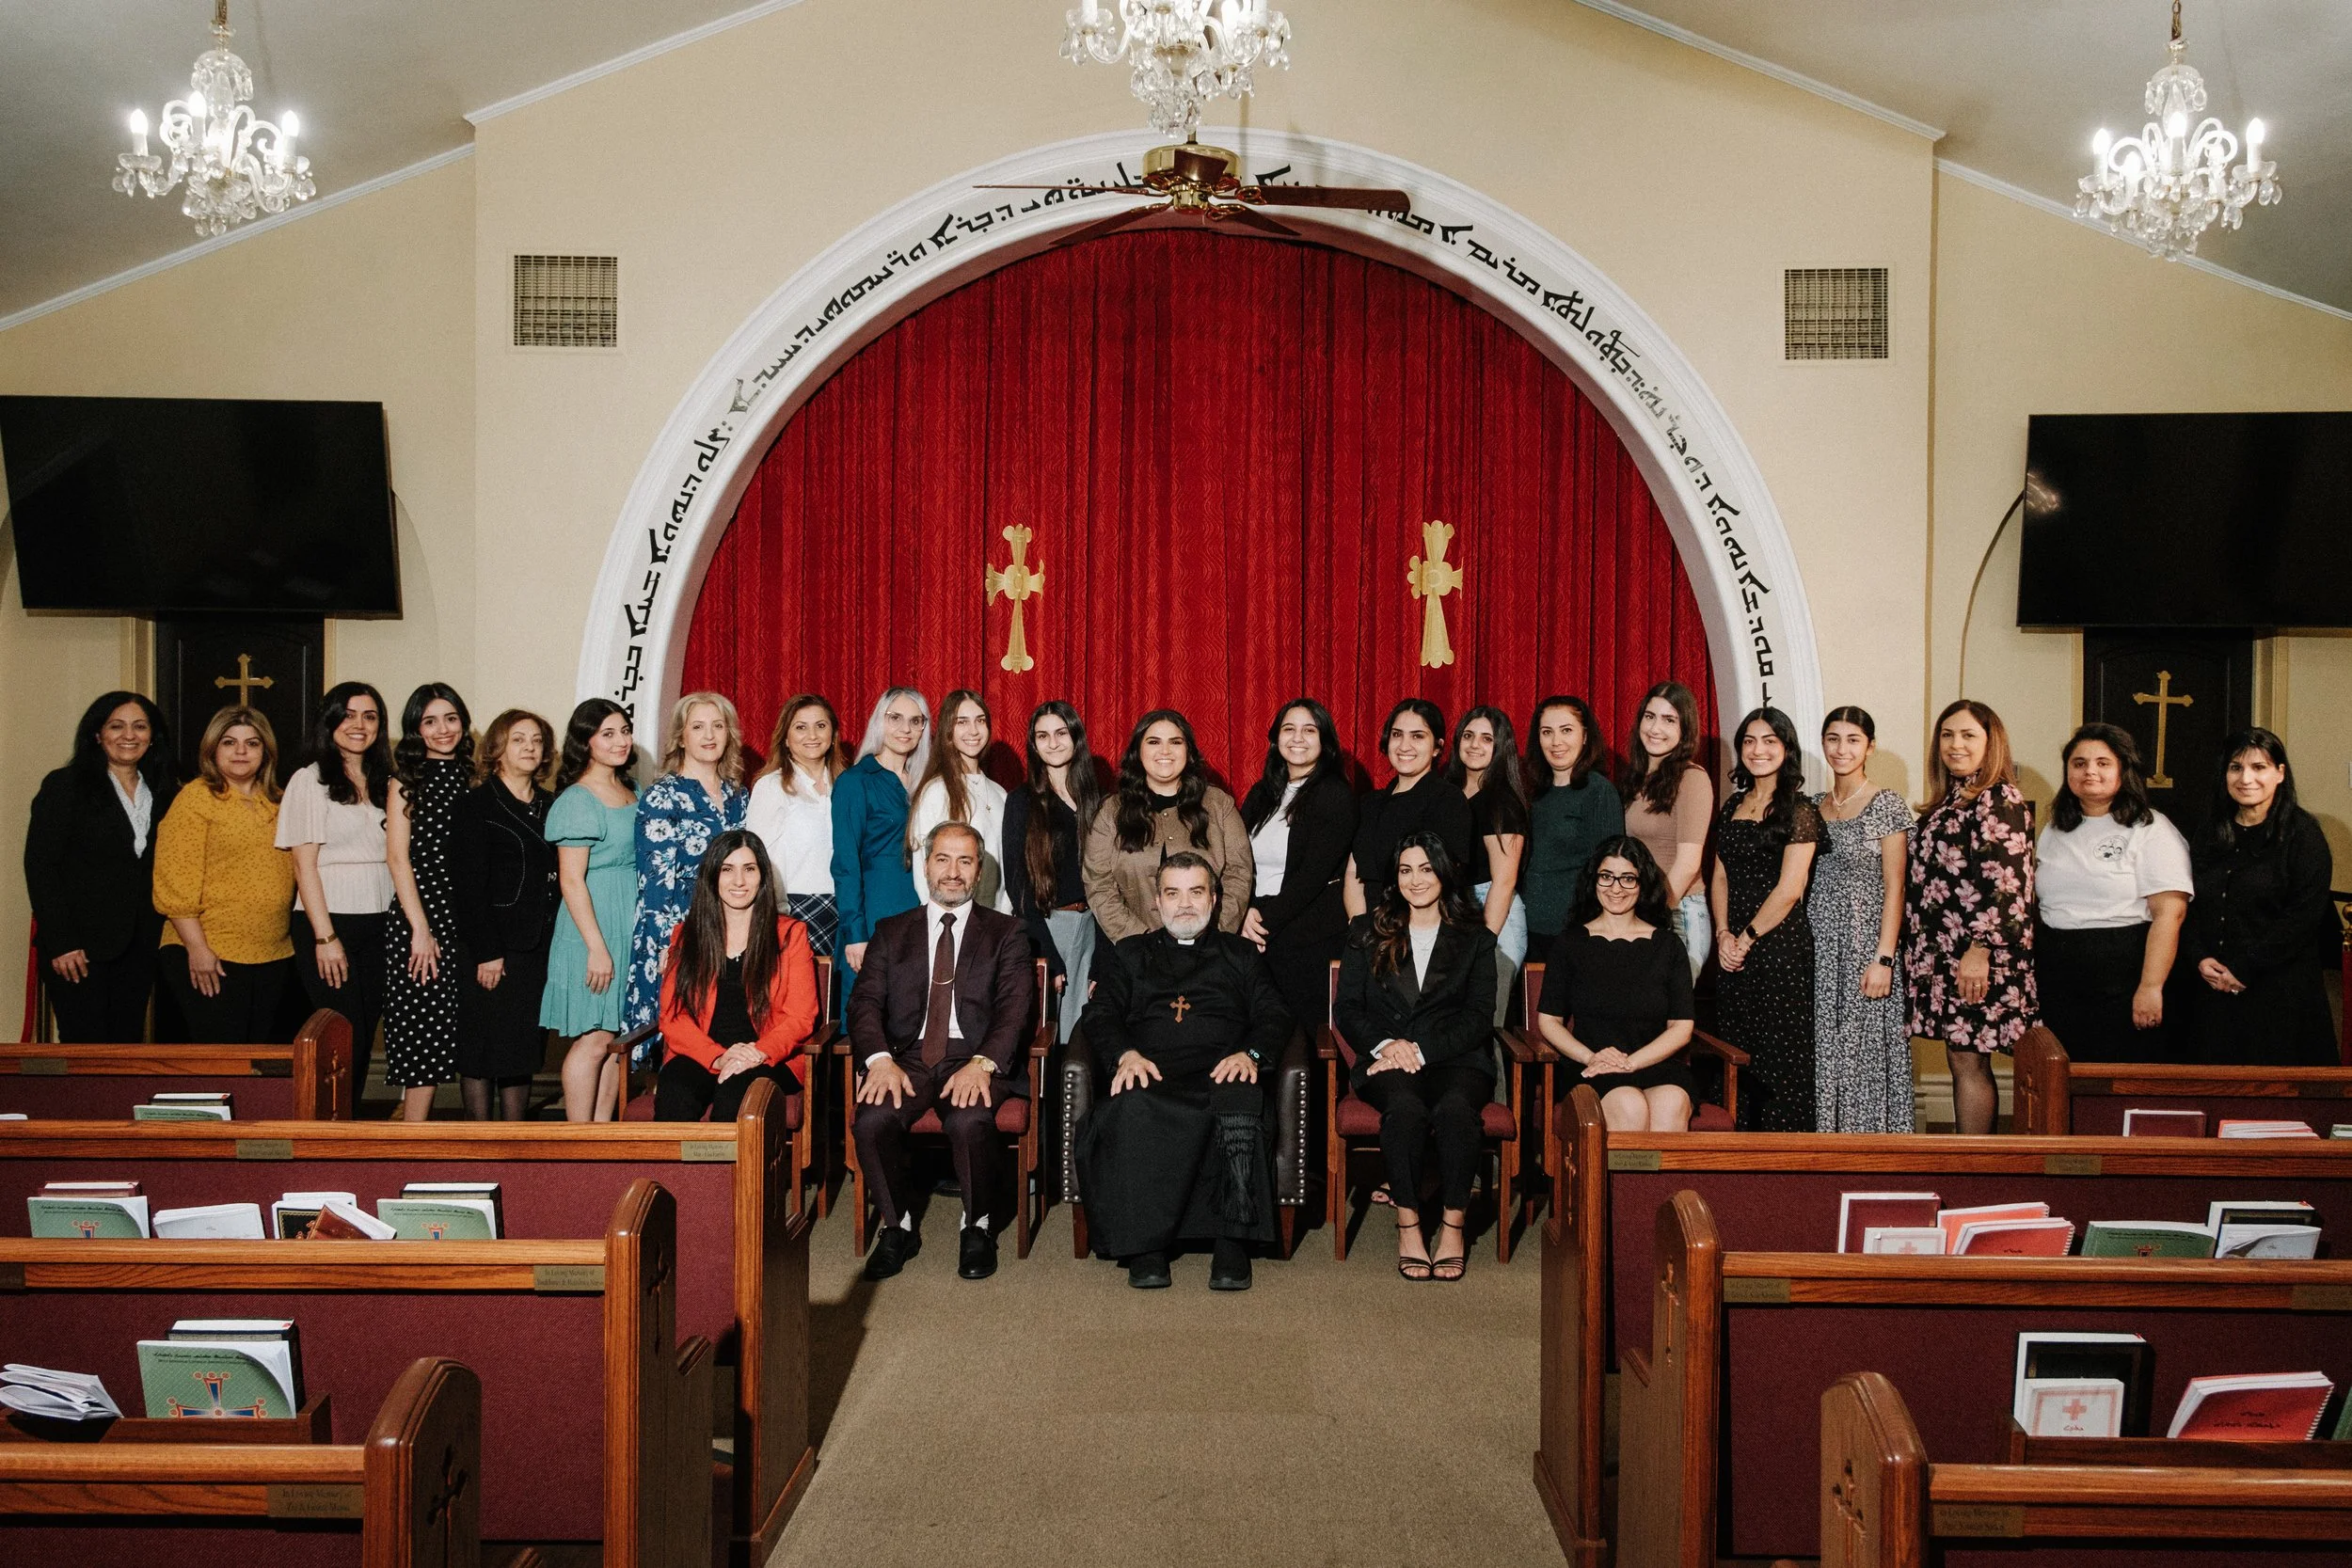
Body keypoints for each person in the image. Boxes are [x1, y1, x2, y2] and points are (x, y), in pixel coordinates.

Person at [1075, 851, 1293, 1291]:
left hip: (1221, 1073)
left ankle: (1233, 1240)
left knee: (1241, 1101)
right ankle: (1146, 1246)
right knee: (1132, 1107)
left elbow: (1274, 1013)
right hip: (1152, 1074)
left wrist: (1249, 1055)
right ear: (1157, 901)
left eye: (1196, 892)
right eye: (1173, 894)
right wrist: (1126, 1056)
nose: (1185, 904)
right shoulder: (1131, 953)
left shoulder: (1240, 954)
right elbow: (1100, 1014)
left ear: (1214, 899)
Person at [849, 823, 1035, 1283]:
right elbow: (865, 1002)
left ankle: (978, 1226)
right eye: (943, 860)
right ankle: (898, 1227)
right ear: (925, 864)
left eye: (965, 861)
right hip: (905, 1058)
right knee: (871, 1120)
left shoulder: (1007, 933)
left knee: (970, 1118)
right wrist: (879, 1061)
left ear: (980, 871)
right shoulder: (892, 931)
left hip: (973, 1056)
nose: (953, 872)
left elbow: (1015, 1008)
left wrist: (983, 1063)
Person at [1333, 833, 1498, 1282]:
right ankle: (1408, 1228)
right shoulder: (1366, 932)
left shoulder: (1476, 938)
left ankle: (1451, 1228)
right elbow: (1346, 1009)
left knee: (1455, 1113)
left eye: (1426, 869)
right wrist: (1389, 1046)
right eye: (1406, 870)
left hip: (1456, 1058)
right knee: (1404, 1111)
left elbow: (1479, 1017)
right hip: (1387, 1059)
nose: (1416, 879)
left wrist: (1422, 1050)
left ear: (1445, 873)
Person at [1903, 699, 2037, 1134]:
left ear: (1990, 742)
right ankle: (1968, 1155)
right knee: (1963, 1058)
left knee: (1971, 1062)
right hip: (1947, 954)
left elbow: (2008, 884)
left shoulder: (1999, 799)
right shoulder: (1953, 799)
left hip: (1978, 954)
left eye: (1967, 735)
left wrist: (1979, 951)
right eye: (1947, 735)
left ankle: (1976, 1160)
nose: (1955, 744)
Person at [2035, 723, 2192, 1065]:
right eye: (2079, 763)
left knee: (2114, 1077)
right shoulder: (2054, 829)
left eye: (2103, 762)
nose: (2089, 770)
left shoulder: (2151, 828)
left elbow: (2170, 914)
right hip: (2059, 972)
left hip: (2124, 971)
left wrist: (2150, 988)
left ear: (2124, 769)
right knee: (2062, 1078)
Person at [2180, 727, 2335, 1067]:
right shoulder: (2209, 831)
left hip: (2279, 993)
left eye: (2259, 767)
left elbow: (2303, 918)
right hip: (2213, 991)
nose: (2246, 778)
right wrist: (2198, 957)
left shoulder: (2304, 835)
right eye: (2236, 768)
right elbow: (2189, 902)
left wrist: (2245, 968)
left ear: (2280, 773)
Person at [24, 691, 173, 1041]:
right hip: (79, 948)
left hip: (141, 944)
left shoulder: (167, 792)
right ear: (97, 734)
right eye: (116, 726)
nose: (129, 736)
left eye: (140, 726)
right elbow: (41, 865)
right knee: (85, 1047)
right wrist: (62, 941)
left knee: (126, 1045)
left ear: (152, 737)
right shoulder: (65, 786)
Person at [276, 683, 395, 1091]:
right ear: (330, 722)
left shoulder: (387, 781)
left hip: (382, 922)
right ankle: (326, 1132)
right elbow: (303, 866)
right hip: (331, 923)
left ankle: (352, 1125)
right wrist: (325, 937)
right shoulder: (309, 781)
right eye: (347, 715)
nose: (358, 725)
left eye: (369, 716)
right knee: (345, 1034)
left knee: (365, 1034)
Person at [151, 706, 295, 1043]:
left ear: (266, 751)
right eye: (229, 742)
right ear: (212, 750)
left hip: (273, 954)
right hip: (211, 953)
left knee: (260, 1067)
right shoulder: (196, 799)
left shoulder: (280, 801)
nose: (241, 751)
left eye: (252, 743)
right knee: (220, 1061)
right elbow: (175, 883)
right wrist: (198, 950)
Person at [656, 830, 819, 1123]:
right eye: (727, 870)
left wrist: (756, 1053)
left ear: (763, 877)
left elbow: (801, 1017)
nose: (739, 881)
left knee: (737, 1098)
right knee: (674, 1092)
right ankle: (674, 1173)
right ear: (712, 876)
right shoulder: (687, 936)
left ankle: (728, 1173)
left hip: (771, 1057)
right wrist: (718, 1057)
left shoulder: (790, 935)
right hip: (702, 1054)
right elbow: (673, 1016)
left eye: (749, 869)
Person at [1710, 706, 1822, 1132]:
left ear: (1786, 748)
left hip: (1778, 947)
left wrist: (1747, 938)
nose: (1758, 750)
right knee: (1737, 1046)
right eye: (1749, 741)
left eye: (1769, 741)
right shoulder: (1734, 804)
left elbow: (1791, 888)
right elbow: (1719, 873)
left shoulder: (1800, 809)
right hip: (1730, 948)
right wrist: (1723, 934)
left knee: (1779, 1051)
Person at [1536, 837, 1695, 1133]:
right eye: (1607, 877)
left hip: (1653, 1062)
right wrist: (1590, 1057)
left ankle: (1663, 1184)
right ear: (1594, 880)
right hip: (1591, 1067)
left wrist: (1631, 1063)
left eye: (1628, 879)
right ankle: (1624, 1184)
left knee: (1671, 1102)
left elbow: (1681, 1028)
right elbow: (1548, 1020)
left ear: (1642, 883)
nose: (1616, 888)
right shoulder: (1570, 943)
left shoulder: (1668, 946)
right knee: (1629, 1104)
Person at [626, 691, 750, 1059]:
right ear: (682, 736)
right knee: (677, 1043)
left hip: (729, 929)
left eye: (717, 726)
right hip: (679, 929)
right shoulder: (663, 796)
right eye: (698, 727)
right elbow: (655, 882)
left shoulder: (737, 796)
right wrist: (670, 945)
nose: (709, 735)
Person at [450, 709, 559, 1121]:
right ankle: (478, 1141)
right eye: (518, 739)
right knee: (481, 1049)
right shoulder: (476, 806)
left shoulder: (551, 805)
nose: (530, 747)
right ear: (497, 749)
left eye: (536, 740)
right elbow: (468, 889)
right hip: (493, 947)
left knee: (520, 1048)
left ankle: (516, 1140)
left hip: (538, 945)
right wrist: (487, 952)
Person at [1810, 707, 1916, 1132]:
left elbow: (1896, 887)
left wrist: (1885, 958)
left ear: (1869, 746)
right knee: (1825, 1050)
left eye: (1853, 739)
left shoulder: (1886, 804)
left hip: (1866, 946)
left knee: (1865, 1051)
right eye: (1833, 739)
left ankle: (1872, 1148)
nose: (1842, 748)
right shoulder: (1814, 806)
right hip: (1819, 945)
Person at [1239, 698, 1359, 1046]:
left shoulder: (1335, 795)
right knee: (1259, 1034)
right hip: (1256, 926)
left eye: (1310, 730)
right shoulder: (1262, 793)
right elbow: (1237, 861)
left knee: (1305, 1040)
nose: (1298, 738)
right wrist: (1242, 910)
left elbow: (1311, 878)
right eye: (1288, 729)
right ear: (1276, 739)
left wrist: (1262, 923)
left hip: (1307, 938)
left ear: (1325, 742)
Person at [543, 700, 641, 1121]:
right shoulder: (577, 800)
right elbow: (570, 880)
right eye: (607, 734)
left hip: (627, 921)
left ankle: (601, 1137)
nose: (620, 741)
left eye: (624, 731)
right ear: (586, 743)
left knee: (618, 1038)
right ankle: (576, 1139)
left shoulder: (632, 790)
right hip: (592, 927)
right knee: (594, 1037)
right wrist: (597, 949)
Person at [381, 685, 473, 1121]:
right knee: (424, 1026)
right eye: (430, 721)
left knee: (458, 1028)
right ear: (416, 729)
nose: (442, 730)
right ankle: (410, 1139)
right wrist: (420, 929)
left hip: (466, 916)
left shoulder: (476, 777)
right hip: (422, 917)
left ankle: (410, 1120)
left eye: (450, 718)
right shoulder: (406, 780)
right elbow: (398, 858)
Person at [1083, 710, 1253, 942]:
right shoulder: (1111, 812)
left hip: (1209, 952)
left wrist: (1212, 937)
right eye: (1154, 742)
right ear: (1138, 751)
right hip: (1134, 954)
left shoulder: (1219, 805)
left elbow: (1239, 875)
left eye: (1175, 742)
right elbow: (1098, 884)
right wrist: (1140, 943)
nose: (1165, 751)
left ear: (1188, 751)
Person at [1002, 701, 1104, 1042]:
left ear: (1076, 737)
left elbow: (1110, 883)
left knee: (1086, 1033)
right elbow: (1017, 885)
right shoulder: (1021, 801)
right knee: (1048, 1035)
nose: (1054, 743)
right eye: (1042, 736)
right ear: (1033, 743)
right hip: (1049, 925)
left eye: (1061, 733)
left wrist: (1105, 954)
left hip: (1094, 926)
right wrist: (1045, 950)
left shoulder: (1099, 800)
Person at [832, 687, 930, 995]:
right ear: (879, 721)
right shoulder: (856, 781)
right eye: (896, 718)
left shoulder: (925, 783)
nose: (906, 729)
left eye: (916, 721)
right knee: (871, 1015)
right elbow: (846, 864)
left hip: (918, 910)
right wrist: (856, 932)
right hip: (874, 913)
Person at [1619, 682, 1714, 979]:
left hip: (1677, 912)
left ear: (1685, 730)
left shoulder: (1692, 780)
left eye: (1669, 720)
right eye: (1650, 716)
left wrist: (1651, 919)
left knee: (1667, 1018)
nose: (1655, 727)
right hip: (1644, 909)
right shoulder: (1638, 779)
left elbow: (1687, 865)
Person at [1346, 699, 1474, 917]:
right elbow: (1353, 875)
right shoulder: (1370, 803)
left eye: (1417, 736)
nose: (1404, 746)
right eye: (1397, 734)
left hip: (1418, 929)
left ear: (1437, 747)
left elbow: (1443, 881)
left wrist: (1392, 932)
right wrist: (1358, 927)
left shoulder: (1447, 800)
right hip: (1368, 927)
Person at [1522, 695, 1626, 959]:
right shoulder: (1532, 791)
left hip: (1576, 934)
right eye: (1547, 732)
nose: (1556, 742)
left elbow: (1609, 872)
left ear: (1585, 736)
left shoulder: (1598, 792)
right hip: (1528, 931)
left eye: (1566, 730)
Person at [743, 694, 845, 957]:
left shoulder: (848, 785)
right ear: (786, 738)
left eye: (820, 726)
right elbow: (758, 858)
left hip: (844, 909)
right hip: (794, 908)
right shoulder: (771, 786)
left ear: (833, 734)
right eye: (801, 727)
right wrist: (776, 915)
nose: (812, 735)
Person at [1447, 705, 1531, 1022]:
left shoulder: (1502, 801)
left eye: (1486, 739)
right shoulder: (1449, 793)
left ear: (1501, 748)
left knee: (1483, 1025)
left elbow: (1505, 880)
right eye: (1468, 736)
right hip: (1457, 912)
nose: (1474, 745)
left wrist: (1482, 942)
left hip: (1495, 918)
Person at [908, 688, 1012, 913]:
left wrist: (1003, 916)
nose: (973, 730)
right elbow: (922, 866)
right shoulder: (936, 790)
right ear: (949, 731)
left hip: (995, 920)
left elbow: (1008, 867)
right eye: (962, 722)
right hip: (952, 920)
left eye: (980, 720)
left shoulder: (1000, 793)